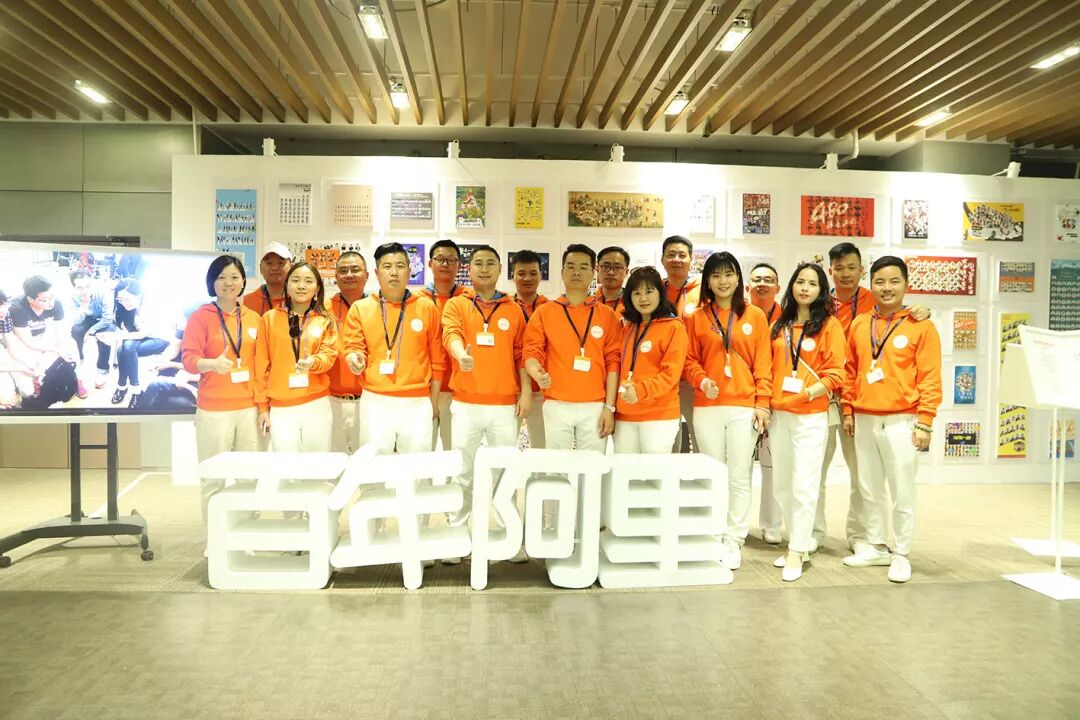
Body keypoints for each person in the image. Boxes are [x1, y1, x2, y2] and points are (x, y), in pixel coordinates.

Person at [817, 243, 932, 552]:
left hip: (869, 405)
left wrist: (925, 310)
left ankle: (862, 538)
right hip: (828, 401)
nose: (845, 273)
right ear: (830, 270)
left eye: (851, 267)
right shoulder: (821, 302)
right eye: (839, 268)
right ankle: (817, 534)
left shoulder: (877, 302)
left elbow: (905, 318)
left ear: (861, 270)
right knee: (822, 474)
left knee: (867, 479)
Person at [841, 256, 941, 583]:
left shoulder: (921, 325)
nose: (887, 288)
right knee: (869, 488)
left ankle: (901, 553)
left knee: (902, 490)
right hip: (865, 417)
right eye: (880, 282)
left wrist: (925, 421)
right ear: (871, 284)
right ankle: (876, 545)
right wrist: (848, 409)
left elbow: (930, 377)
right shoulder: (860, 323)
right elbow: (850, 370)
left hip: (903, 420)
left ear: (906, 284)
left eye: (894, 281)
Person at [683, 251, 772, 571]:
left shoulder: (754, 316)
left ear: (738, 278)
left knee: (739, 474)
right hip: (708, 405)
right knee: (713, 473)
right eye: (716, 275)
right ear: (707, 280)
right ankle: (713, 532)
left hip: (743, 406)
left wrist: (762, 402)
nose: (723, 281)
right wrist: (701, 380)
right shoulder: (696, 316)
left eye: (729, 274)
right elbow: (688, 359)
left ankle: (734, 538)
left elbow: (763, 362)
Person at [442, 246, 530, 559]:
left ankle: (509, 537)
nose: (484, 268)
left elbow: (521, 355)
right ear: (469, 269)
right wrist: (461, 355)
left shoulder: (513, 309)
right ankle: (455, 535)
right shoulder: (456, 304)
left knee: (505, 473)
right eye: (478, 263)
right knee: (462, 471)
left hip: (504, 406)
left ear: (500, 270)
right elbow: (450, 334)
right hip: (466, 404)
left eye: (490, 263)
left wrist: (526, 392)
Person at [767, 263, 845, 582]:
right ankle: (796, 542)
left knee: (804, 484)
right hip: (779, 415)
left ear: (821, 290)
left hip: (810, 416)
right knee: (782, 484)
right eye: (800, 281)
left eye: (812, 283)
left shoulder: (829, 326)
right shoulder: (779, 325)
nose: (805, 288)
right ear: (792, 286)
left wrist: (807, 394)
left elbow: (836, 373)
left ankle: (798, 549)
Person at [342, 242, 445, 455]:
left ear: (410, 270)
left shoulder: (426, 307)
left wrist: (434, 402)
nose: (394, 272)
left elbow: (437, 360)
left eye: (400, 266)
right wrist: (354, 358)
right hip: (375, 400)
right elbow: (353, 346)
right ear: (377, 273)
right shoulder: (361, 308)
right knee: (374, 462)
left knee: (416, 465)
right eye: (387, 266)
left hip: (417, 401)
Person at [181, 255, 260, 520]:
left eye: (235, 277)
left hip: (248, 408)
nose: (229, 283)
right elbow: (189, 360)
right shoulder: (200, 317)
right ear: (212, 282)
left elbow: (262, 362)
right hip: (213, 410)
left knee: (249, 474)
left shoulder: (253, 318)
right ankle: (215, 535)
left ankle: (247, 529)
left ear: (243, 281)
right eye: (222, 277)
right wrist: (211, 364)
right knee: (213, 476)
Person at [523, 244, 620, 452]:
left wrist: (609, 407)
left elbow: (613, 363)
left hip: (595, 404)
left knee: (592, 465)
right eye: (571, 266)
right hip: (556, 403)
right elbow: (531, 352)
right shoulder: (545, 312)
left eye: (583, 267)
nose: (577, 272)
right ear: (562, 272)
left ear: (593, 273)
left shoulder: (607, 315)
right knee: (557, 465)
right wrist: (536, 372)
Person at [254, 262, 337, 452]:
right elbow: (261, 366)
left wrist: (313, 363)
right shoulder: (269, 319)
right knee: (285, 464)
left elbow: (329, 356)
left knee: (317, 463)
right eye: (296, 280)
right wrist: (262, 408)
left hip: (316, 404)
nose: (301, 286)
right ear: (287, 285)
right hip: (281, 407)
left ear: (317, 288)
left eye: (308, 281)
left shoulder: (325, 321)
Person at [613, 267, 688, 453]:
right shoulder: (627, 328)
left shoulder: (674, 327)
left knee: (654, 469)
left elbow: (670, 375)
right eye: (637, 293)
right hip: (625, 414)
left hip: (659, 416)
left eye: (649, 291)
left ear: (660, 293)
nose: (643, 298)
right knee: (624, 469)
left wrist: (640, 391)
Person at [747, 262, 783, 544]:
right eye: (757, 279)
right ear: (748, 287)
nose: (762, 284)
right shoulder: (737, 316)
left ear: (777, 288)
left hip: (778, 401)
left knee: (773, 466)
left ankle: (772, 524)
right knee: (740, 466)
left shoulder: (789, 318)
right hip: (744, 398)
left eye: (768, 280)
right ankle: (734, 524)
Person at [8, 275, 83, 408]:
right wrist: (56, 350)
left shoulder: (56, 303)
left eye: (52, 297)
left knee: (69, 344)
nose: (50, 303)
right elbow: (28, 341)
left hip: (44, 334)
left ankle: (76, 378)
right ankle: (34, 382)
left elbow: (61, 332)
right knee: (27, 387)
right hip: (22, 340)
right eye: (44, 300)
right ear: (30, 299)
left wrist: (63, 351)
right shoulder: (17, 308)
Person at [424, 239, 467, 451]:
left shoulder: (469, 299)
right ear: (429, 263)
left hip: (458, 387)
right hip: (425, 388)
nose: (445, 264)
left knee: (455, 451)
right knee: (425, 449)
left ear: (459, 265)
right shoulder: (417, 300)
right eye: (440, 259)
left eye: (451, 260)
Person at [325, 251, 368, 453]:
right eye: (343, 271)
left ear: (367, 275)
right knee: (333, 461)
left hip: (368, 399)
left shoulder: (378, 307)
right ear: (336, 277)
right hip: (332, 401)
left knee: (366, 459)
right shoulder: (323, 308)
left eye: (355, 269)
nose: (349, 274)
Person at [662, 235, 700, 452]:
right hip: (664, 378)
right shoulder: (655, 290)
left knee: (701, 438)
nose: (676, 259)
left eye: (682, 255)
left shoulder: (702, 291)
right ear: (662, 259)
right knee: (667, 441)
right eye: (671, 255)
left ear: (691, 260)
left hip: (693, 379)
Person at [511, 249, 549, 449]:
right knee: (508, 449)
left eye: (533, 273)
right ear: (512, 275)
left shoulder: (551, 309)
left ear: (541, 275)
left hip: (543, 392)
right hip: (512, 391)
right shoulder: (505, 308)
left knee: (542, 449)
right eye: (521, 273)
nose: (527, 278)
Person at [243, 242, 293, 315]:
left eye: (280, 263)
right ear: (260, 268)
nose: (275, 268)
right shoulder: (246, 302)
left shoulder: (300, 300)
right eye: (269, 263)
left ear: (291, 267)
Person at [594, 246, 629, 316]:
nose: (611, 272)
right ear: (597, 269)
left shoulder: (633, 304)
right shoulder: (589, 303)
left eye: (617, 267)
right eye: (606, 266)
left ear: (626, 272)